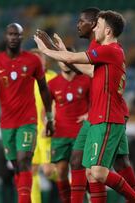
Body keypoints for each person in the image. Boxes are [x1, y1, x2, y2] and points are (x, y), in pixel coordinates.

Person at [34, 10, 135, 203]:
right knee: (93, 171)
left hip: (107, 116)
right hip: (103, 115)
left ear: (107, 31)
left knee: (97, 171)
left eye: (98, 24)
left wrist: (46, 51)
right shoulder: (108, 51)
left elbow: (74, 61)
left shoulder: (108, 49)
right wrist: (62, 52)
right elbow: (89, 70)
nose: (94, 26)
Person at [0, 23, 54, 203]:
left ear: (22, 37)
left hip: (28, 120)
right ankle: (25, 196)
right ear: (5, 36)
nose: (14, 37)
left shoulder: (32, 61)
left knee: (25, 161)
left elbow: (44, 90)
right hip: (7, 122)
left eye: (17, 34)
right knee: (16, 166)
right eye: (10, 34)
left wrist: (49, 116)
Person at [48, 47, 91, 203]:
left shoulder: (86, 79)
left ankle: (89, 196)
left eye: (67, 58)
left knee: (82, 171)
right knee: (60, 172)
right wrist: (48, 120)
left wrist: (89, 115)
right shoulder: (52, 84)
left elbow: (97, 101)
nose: (64, 62)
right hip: (60, 134)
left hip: (81, 133)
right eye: (61, 59)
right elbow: (47, 107)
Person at [30, 48, 57, 203]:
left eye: (39, 59)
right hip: (32, 131)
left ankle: (70, 178)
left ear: (45, 61)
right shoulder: (26, 80)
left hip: (47, 131)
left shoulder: (53, 78)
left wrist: (51, 120)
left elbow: (58, 103)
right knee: (31, 170)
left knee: (48, 171)